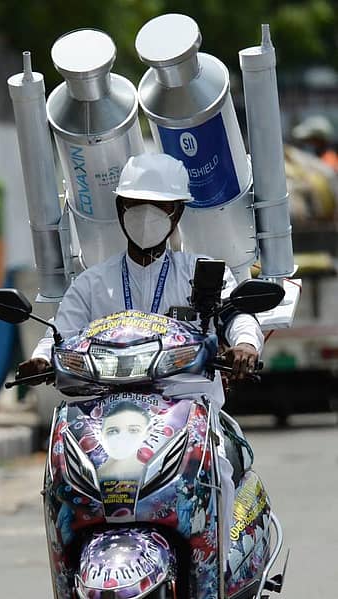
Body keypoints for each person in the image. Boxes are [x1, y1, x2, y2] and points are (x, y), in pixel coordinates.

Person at [17, 153, 263, 561]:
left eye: (159, 207)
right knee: (61, 480)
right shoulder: (92, 283)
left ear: (177, 213)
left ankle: (212, 571)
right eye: (135, 205)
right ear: (119, 209)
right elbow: (58, 334)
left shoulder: (203, 274)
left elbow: (238, 317)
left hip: (188, 411)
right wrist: (42, 359)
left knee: (215, 472)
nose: (146, 216)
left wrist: (245, 345)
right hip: (105, 417)